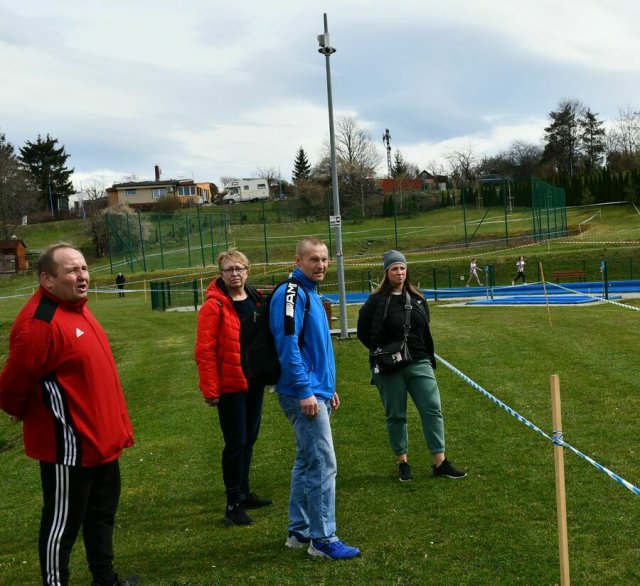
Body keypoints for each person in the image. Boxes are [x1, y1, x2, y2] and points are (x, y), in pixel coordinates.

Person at [0, 243, 138, 586]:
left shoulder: (78, 309)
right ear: (47, 279)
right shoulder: (39, 324)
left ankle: (104, 580)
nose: (83, 276)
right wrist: (22, 411)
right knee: (62, 526)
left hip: (104, 442)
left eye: (85, 268)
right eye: (72, 270)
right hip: (70, 450)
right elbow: (12, 386)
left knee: (101, 517)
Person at [270, 236, 360, 560]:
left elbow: (314, 350)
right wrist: (307, 391)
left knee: (307, 461)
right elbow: (288, 345)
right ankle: (322, 539)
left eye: (324, 259)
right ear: (298, 261)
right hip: (300, 393)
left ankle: (299, 531)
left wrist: (326, 388)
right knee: (323, 464)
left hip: (313, 391)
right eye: (313, 259)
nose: (320, 265)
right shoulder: (292, 292)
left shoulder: (311, 292)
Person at [357, 250, 466, 483]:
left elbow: (423, 328)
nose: (400, 272)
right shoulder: (375, 301)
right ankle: (403, 462)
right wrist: (384, 351)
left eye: (403, 268)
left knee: (432, 409)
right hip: (390, 368)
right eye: (395, 268)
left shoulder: (418, 298)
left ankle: (440, 461)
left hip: (420, 362)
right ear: (386, 272)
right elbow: (363, 332)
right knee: (396, 415)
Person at [194, 248, 272, 526]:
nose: (235, 274)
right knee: (235, 442)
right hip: (230, 384)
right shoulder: (214, 306)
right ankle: (232, 504)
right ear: (221, 274)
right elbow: (204, 351)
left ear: (248, 270)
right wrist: (210, 390)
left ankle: (244, 490)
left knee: (249, 438)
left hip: (254, 381)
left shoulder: (255, 298)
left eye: (239, 268)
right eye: (229, 270)